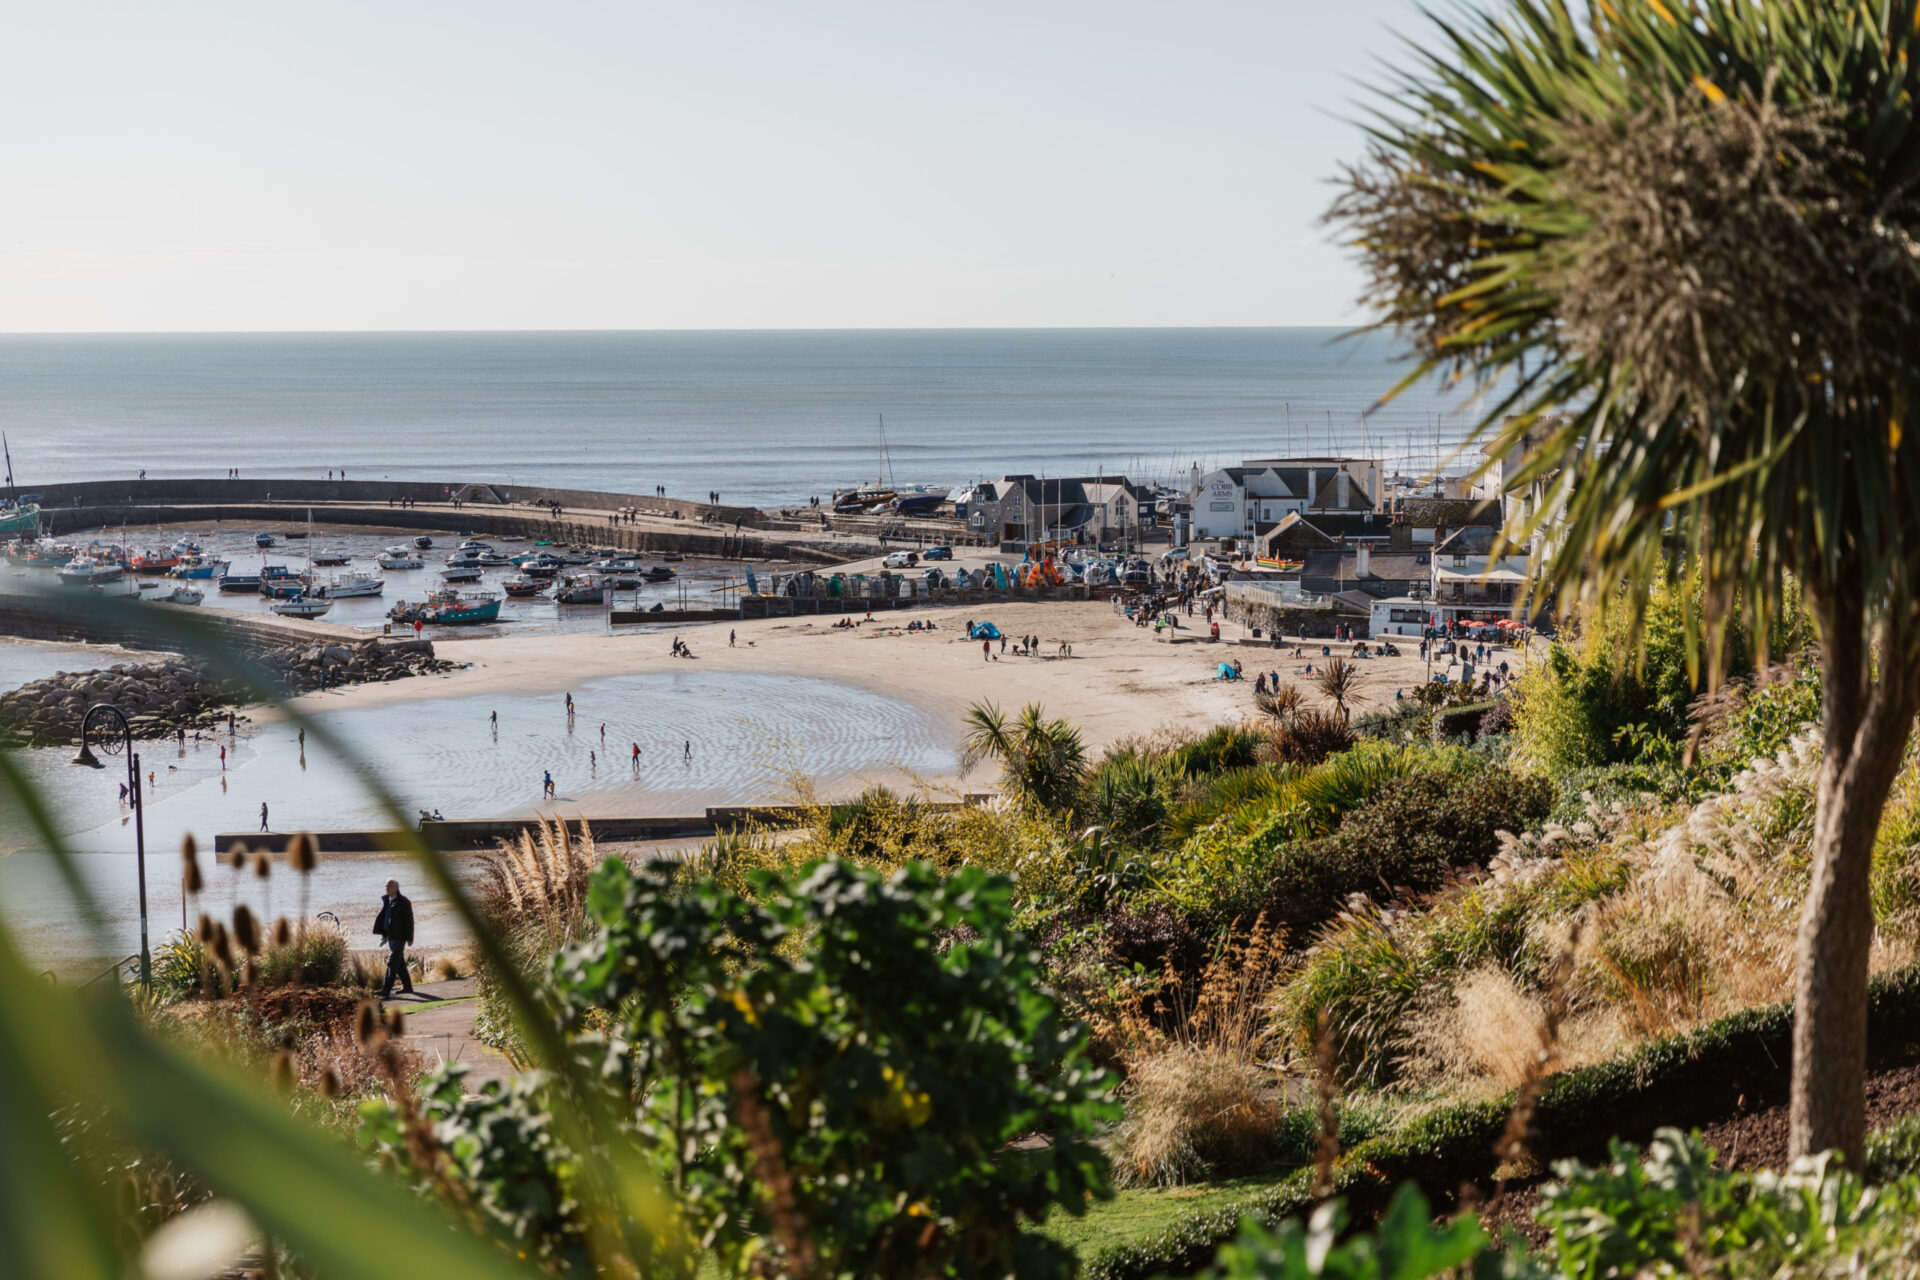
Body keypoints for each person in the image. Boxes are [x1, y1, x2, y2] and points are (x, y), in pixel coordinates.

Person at [374, 879, 415, 998]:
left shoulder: (403, 901)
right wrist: (384, 934)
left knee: (392, 963)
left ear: (396, 888)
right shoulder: (387, 900)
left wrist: (410, 937)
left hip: (400, 936)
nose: (387, 888)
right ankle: (407, 986)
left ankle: (385, 990)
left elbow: (409, 920)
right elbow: (385, 918)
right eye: (386, 886)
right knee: (399, 962)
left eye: (389, 886)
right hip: (390, 936)